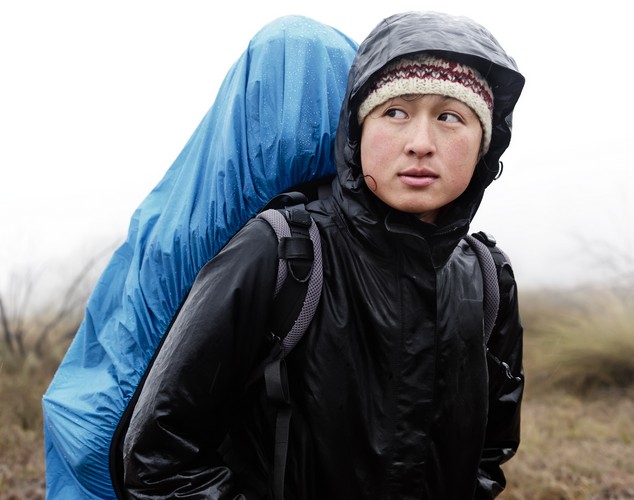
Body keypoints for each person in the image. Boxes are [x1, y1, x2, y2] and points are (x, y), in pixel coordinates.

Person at [121, 10, 526, 499]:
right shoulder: (278, 254)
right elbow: (159, 458)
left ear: (485, 143)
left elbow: (490, 450)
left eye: (450, 116)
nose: (421, 144)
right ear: (356, 132)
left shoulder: (487, 278)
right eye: (395, 111)